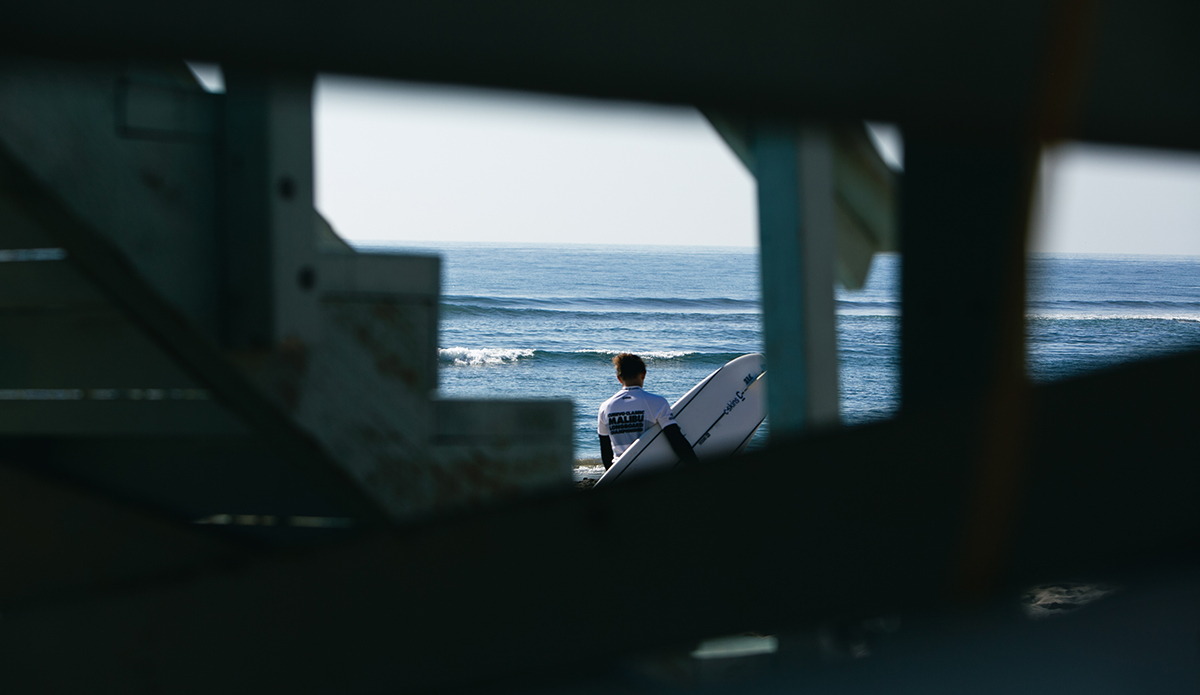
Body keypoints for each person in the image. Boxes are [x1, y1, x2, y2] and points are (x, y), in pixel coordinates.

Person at [597, 353, 698, 470]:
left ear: (619, 378)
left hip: (619, 470)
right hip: (650, 469)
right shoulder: (657, 402)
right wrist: (695, 467)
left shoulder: (605, 407)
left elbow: (605, 450)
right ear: (643, 375)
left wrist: (612, 477)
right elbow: (675, 439)